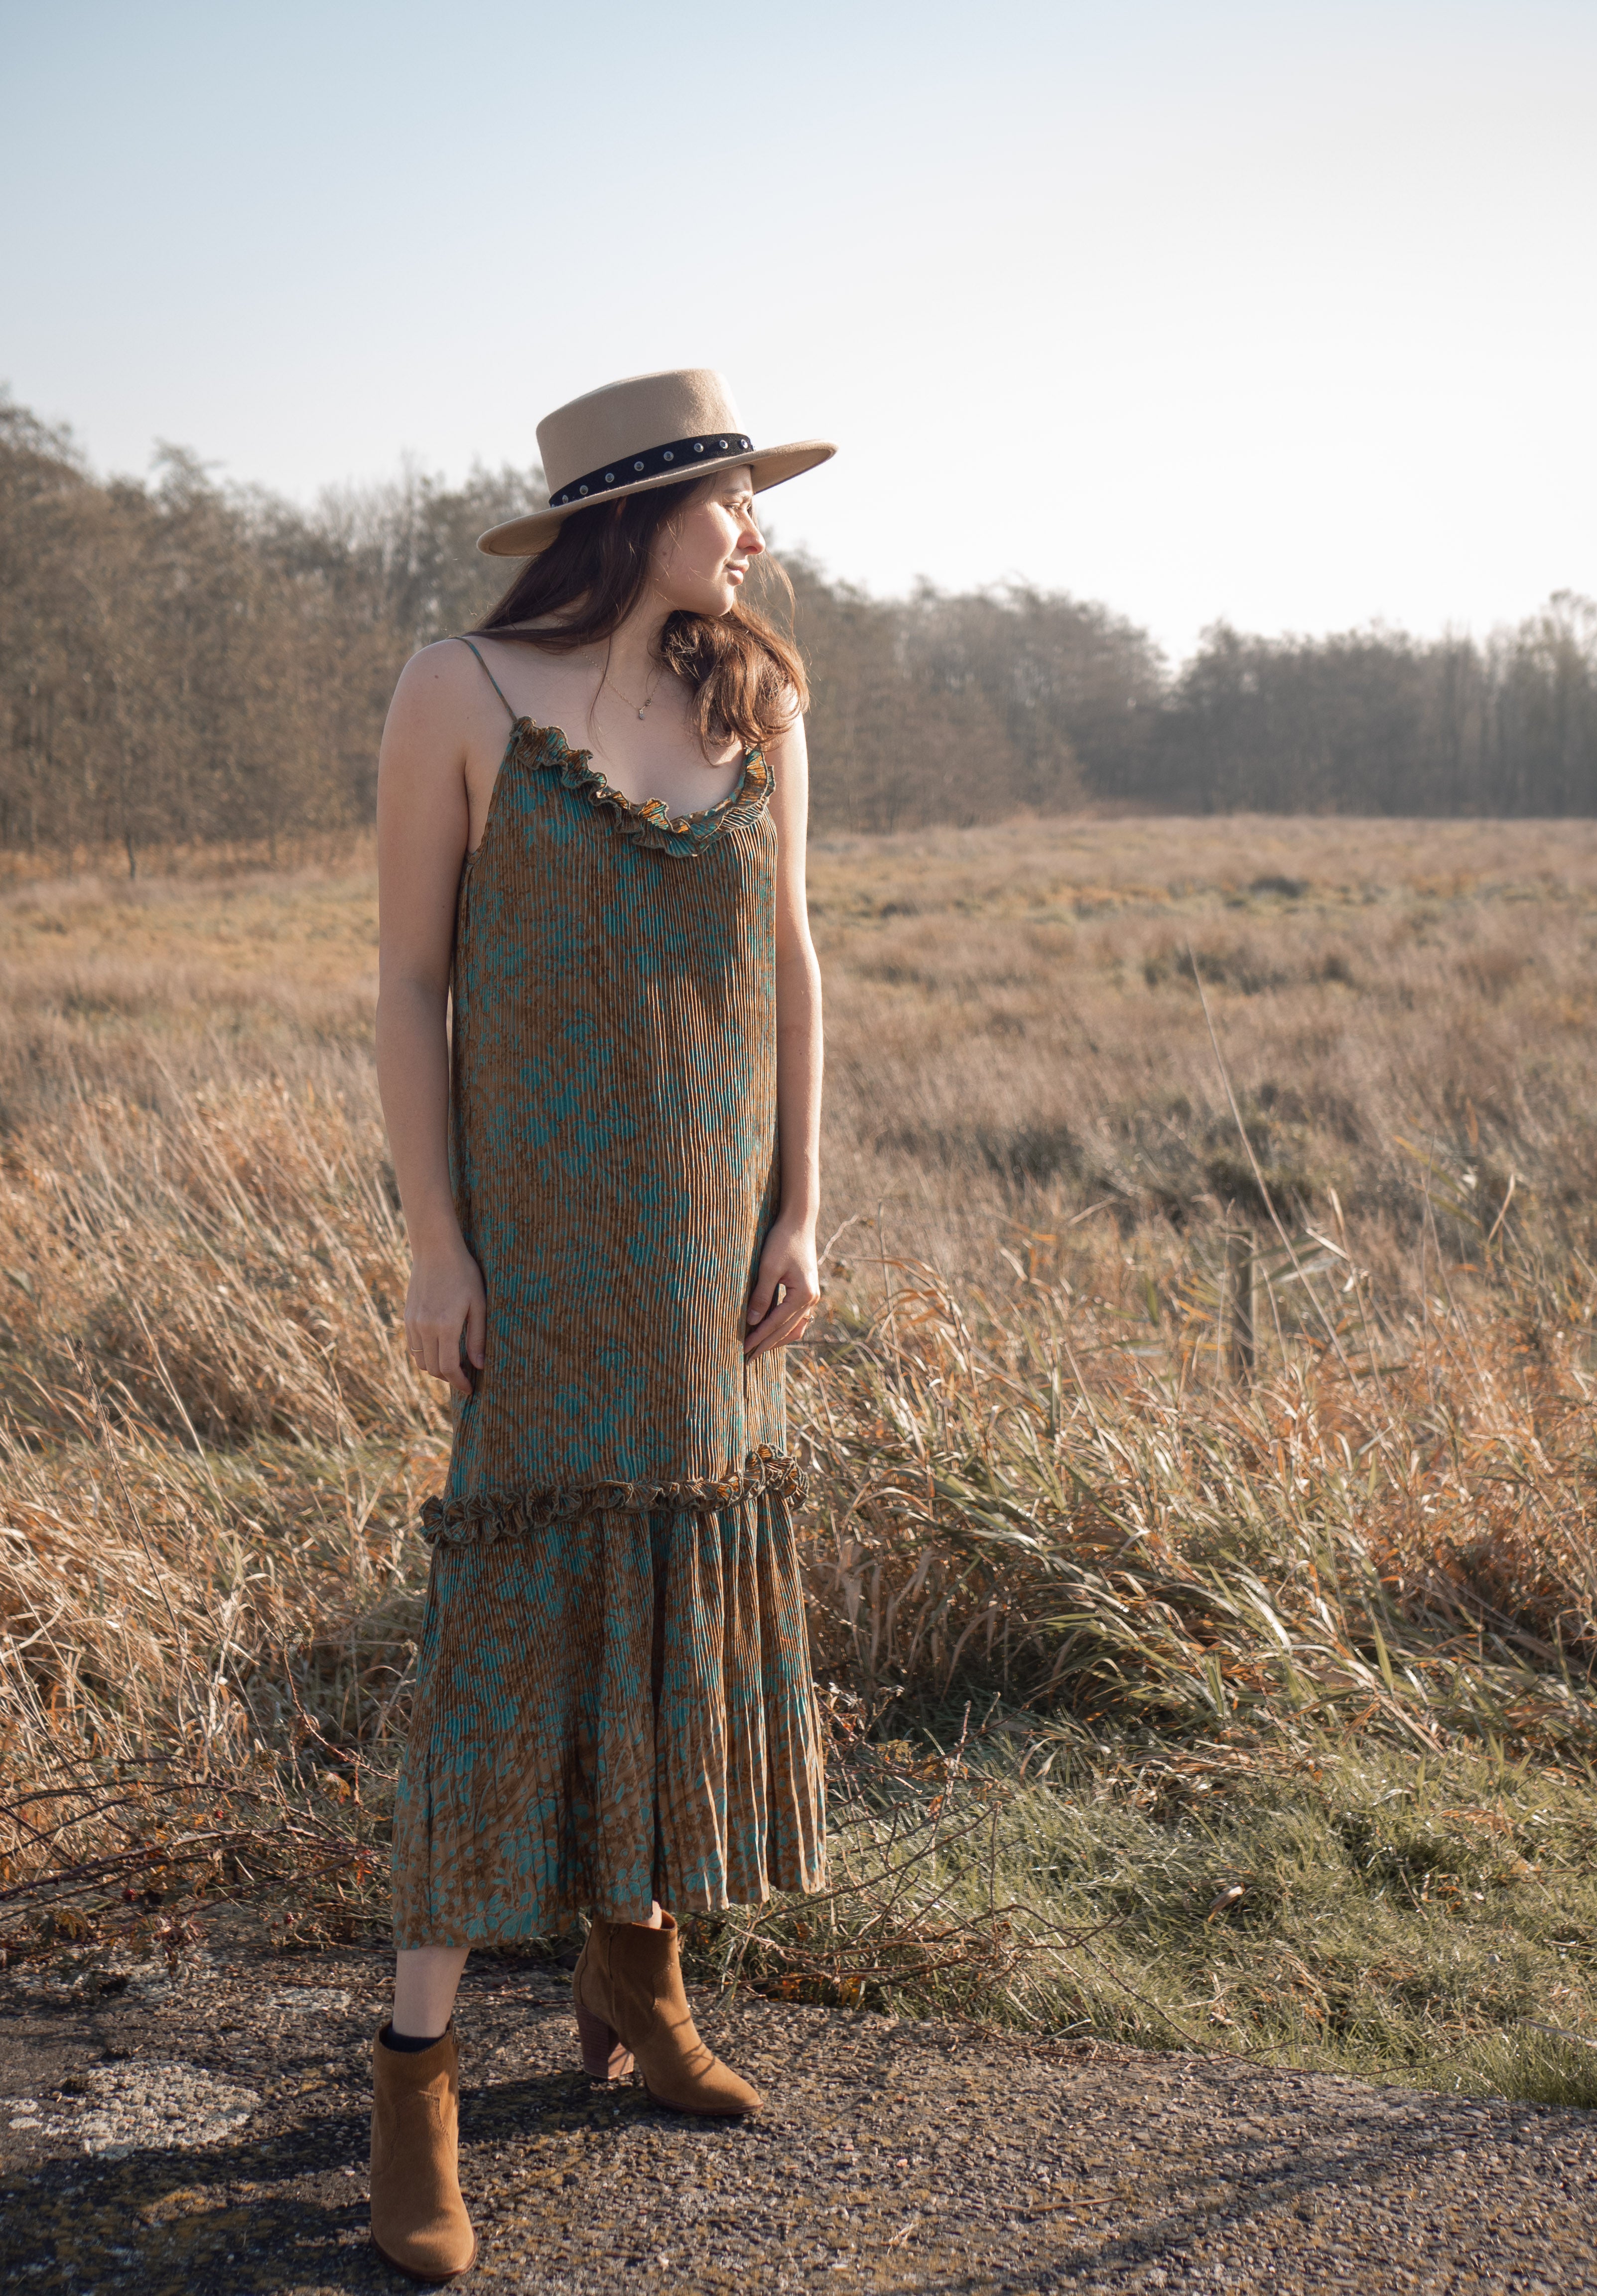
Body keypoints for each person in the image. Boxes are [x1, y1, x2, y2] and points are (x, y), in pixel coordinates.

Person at [370, 369, 835, 2282]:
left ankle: (639, 1974)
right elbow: (407, 983)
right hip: (545, 1248)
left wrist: (803, 1206)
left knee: (670, 1592)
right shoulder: (460, 691)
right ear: (637, 511)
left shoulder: (764, 702)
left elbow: (792, 959)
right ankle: (414, 2077)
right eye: (733, 497)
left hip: (713, 1247)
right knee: (507, 1633)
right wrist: (438, 1247)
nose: (757, 531)